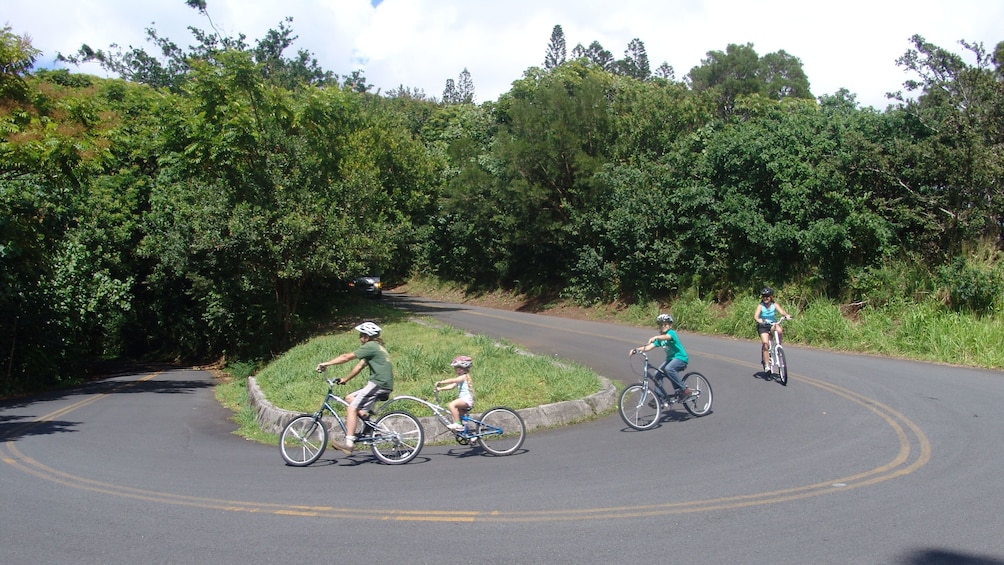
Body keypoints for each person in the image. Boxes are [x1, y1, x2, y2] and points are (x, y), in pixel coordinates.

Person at [315, 321, 393, 454]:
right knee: (350, 398)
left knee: (351, 408)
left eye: (361, 335)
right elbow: (359, 366)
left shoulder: (370, 346)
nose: (359, 337)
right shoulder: (376, 347)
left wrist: (326, 363)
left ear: (367, 337)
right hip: (380, 383)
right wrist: (345, 379)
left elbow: (346, 357)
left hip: (378, 383)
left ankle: (349, 444)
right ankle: (368, 427)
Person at [629, 313, 691, 400]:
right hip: (670, 359)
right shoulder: (660, 339)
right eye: (661, 325)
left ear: (670, 325)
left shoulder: (671, 333)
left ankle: (684, 390)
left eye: (665, 324)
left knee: (669, 369)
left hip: (681, 358)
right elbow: (649, 347)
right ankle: (659, 398)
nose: (663, 326)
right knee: (657, 374)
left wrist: (656, 337)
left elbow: (667, 337)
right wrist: (636, 350)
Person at [754, 287, 792, 372]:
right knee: (765, 344)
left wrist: (786, 315)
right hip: (763, 325)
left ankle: (779, 346)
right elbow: (756, 316)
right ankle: (767, 365)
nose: (765, 298)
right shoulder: (760, 306)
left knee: (779, 330)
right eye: (764, 296)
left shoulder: (774, 305)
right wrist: (760, 320)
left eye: (767, 296)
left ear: (771, 297)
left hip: (772, 324)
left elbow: (782, 312)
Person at [435, 355, 475, 431]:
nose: (457, 370)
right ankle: (471, 436)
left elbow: (453, 380)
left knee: (451, 405)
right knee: (461, 419)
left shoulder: (464, 377)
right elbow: (452, 386)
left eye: (459, 369)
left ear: (464, 369)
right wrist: (440, 389)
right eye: (456, 369)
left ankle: (458, 424)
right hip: (463, 399)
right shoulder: (460, 379)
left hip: (466, 400)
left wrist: (441, 382)